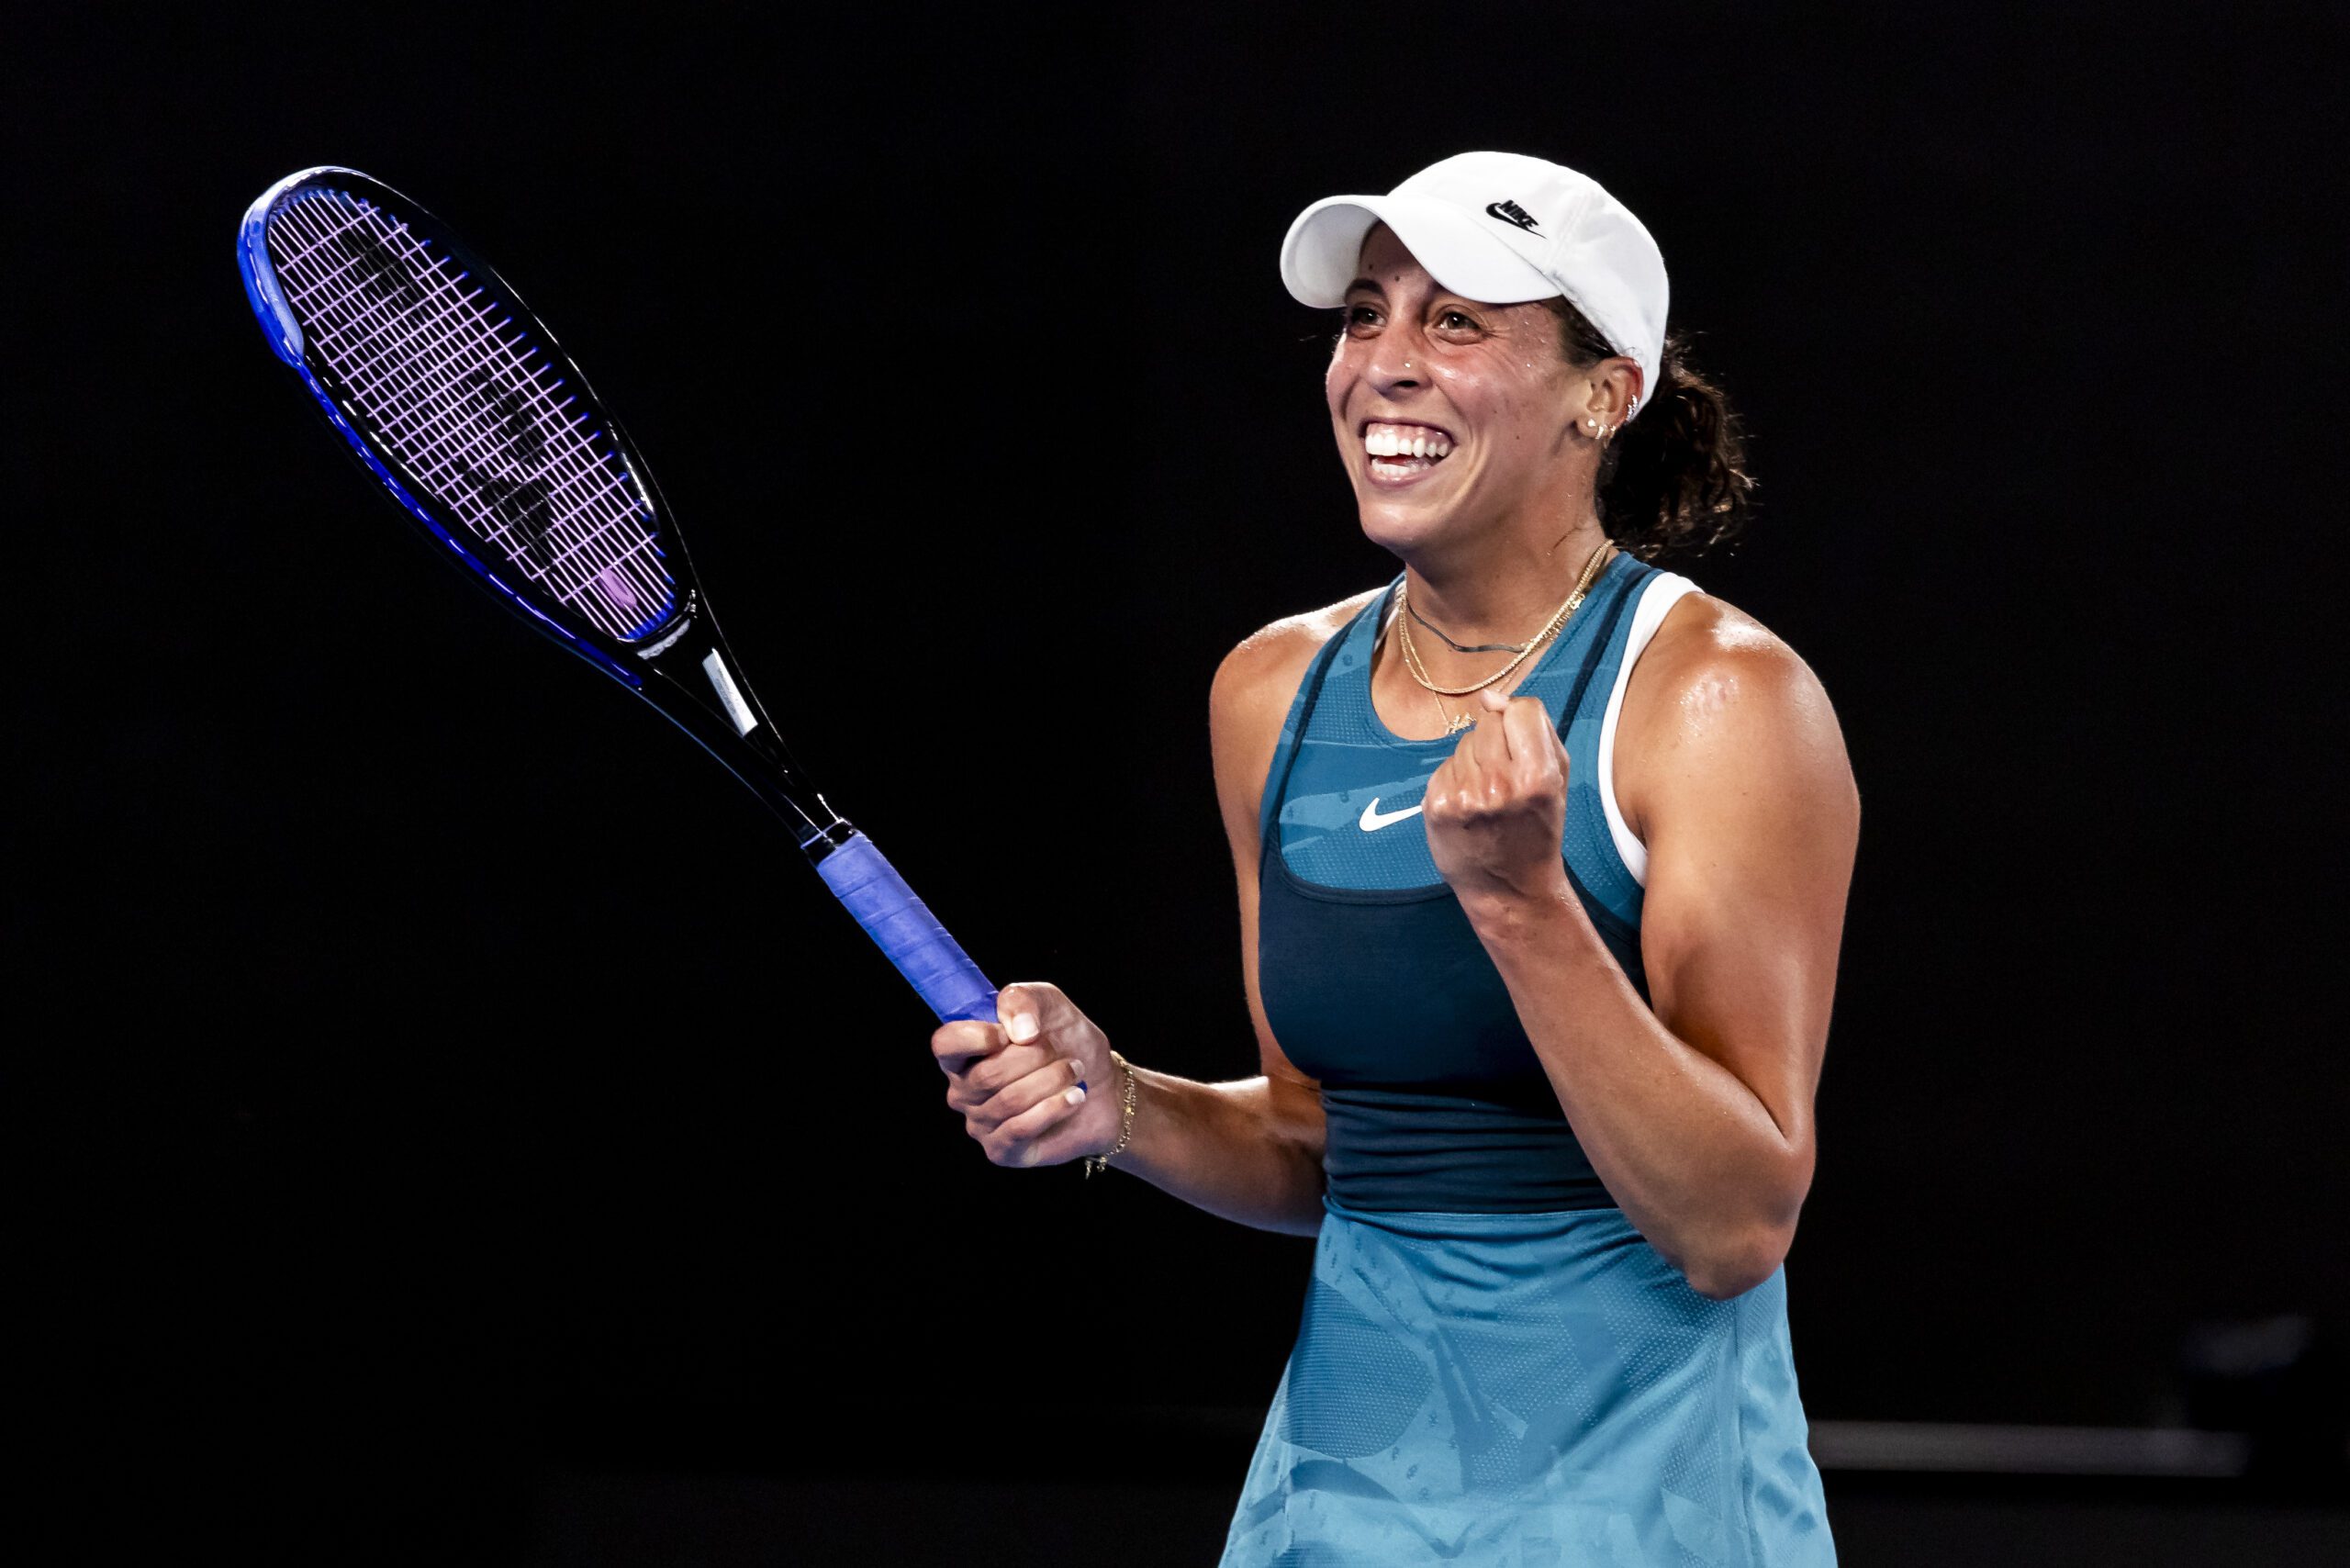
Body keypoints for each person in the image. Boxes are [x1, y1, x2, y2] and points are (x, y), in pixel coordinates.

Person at [930, 151, 1856, 1565]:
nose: (1387, 366)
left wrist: (1521, 902)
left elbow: (1733, 1223)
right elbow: (1319, 1141)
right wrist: (1116, 1099)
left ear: (1604, 392)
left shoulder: (1720, 701)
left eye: (1459, 322)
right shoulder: (1269, 691)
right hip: (1336, 1510)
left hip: (1649, 1514)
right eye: (1368, 315)